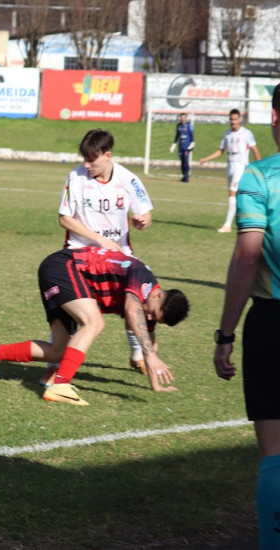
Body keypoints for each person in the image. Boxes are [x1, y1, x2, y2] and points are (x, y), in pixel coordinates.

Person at [0, 246, 189, 406]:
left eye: (154, 319)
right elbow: (132, 311)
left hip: (62, 273)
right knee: (94, 322)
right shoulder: (143, 278)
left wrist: (155, 385)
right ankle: (61, 385)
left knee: (58, 352)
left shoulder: (150, 301)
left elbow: (149, 342)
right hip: (64, 267)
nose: (149, 316)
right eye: (153, 312)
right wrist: (149, 355)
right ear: (159, 294)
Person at [213, 83, 280, 549]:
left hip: (272, 324)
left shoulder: (260, 177)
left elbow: (245, 259)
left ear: (275, 119)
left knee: (274, 454)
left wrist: (225, 334)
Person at [52, 129, 155, 380]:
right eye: (84, 159)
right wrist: (100, 240)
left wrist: (143, 221)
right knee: (70, 309)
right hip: (79, 252)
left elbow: (146, 214)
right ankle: (54, 367)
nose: (86, 165)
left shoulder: (129, 179)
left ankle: (138, 353)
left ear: (108, 155)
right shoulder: (75, 177)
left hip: (120, 255)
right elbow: (64, 219)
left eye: (92, 160)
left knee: (141, 298)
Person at [199, 108, 261, 233]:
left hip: (240, 166)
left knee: (232, 195)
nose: (233, 122)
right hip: (230, 165)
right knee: (236, 196)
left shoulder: (246, 133)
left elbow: (255, 149)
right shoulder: (227, 134)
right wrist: (207, 158)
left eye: (235, 119)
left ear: (240, 119)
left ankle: (227, 225)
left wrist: (259, 167)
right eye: (231, 119)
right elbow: (220, 151)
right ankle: (247, 221)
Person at [170, 113, 195, 182]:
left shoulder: (189, 125)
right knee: (182, 162)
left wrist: (192, 144)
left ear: (186, 118)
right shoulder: (178, 125)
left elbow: (191, 135)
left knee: (186, 162)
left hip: (186, 146)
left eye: (184, 117)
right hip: (180, 146)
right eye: (181, 117)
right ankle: (183, 175)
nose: (182, 118)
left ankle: (186, 176)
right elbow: (177, 135)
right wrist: (174, 145)